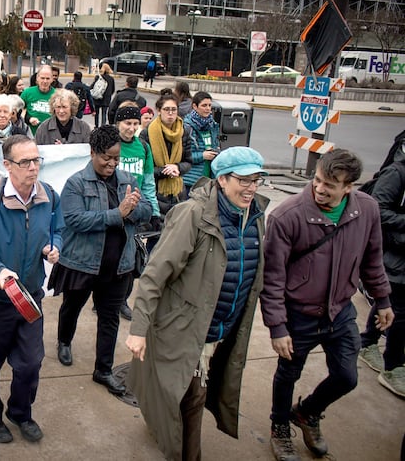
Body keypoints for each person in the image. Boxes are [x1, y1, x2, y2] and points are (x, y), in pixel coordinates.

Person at [126, 146, 269, 461]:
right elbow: (154, 274)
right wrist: (138, 329)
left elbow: (255, 276)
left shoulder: (256, 214)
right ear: (221, 179)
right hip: (188, 330)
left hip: (223, 329)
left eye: (256, 179)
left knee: (189, 393)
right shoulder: (193, 214)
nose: (251, 187)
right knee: (192, 398)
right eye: (243, 180)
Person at [260, 149, 393, 461]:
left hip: (340, 312)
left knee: (347, 377)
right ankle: (279, 426)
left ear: (348, 187)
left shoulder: (367, 210)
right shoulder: (287, 215)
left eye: (329, 185)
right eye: (317, 181)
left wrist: (383, 300)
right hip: (299, 315)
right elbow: (273, 277)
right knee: (287, 374)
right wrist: (278, 327)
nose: (319, 189)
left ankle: (306, 412)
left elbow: (373, 259)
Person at [0, 135, 63, 444]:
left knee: (31, 362)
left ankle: (20, 413)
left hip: (30, 298)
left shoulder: (50, 196)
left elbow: (59, 228)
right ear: (7, 165)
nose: (33, 168)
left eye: (37, 161)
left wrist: (54, 246)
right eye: (25, 162)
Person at [52, 125, 152, 396]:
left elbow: (146, 209)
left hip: (119, 265)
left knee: (110, 319)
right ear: (93, 152)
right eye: (106, 157)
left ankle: (103, 370)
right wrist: (117, 214)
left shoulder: (126, 179)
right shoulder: (76, 183)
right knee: (72, 307)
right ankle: (64, 341)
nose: (112, 163)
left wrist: (131, 211)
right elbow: (73, 220)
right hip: (83, 263)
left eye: (116, 158)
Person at [359, 131, 405, 398]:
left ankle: (368, 342)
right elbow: (378, 209)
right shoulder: (396, 174)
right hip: (395, 251)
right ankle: (393, 366)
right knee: (398, 306)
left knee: (390, 301)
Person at [115, 104, 162, 320]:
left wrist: (154, 212)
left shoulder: (143, 147)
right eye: (127, 123)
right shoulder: (112, 145)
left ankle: (123, 300)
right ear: (118, 124)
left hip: (136, 213)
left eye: (135, 123)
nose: (131, 128)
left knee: (132, 261)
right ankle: (103, 299)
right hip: (113, 211)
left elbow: (149, 182)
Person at [140, 93, 193, 216]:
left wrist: (177, 167)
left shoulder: (183, 131)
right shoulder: (147, 133)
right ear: (159, 111)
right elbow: (144, 168)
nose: (170, 113)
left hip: (178, 192)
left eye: (174, 109)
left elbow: (188, 162)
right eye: (166, 109)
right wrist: (165, 171)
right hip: (155, 191)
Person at [183, 91, 219, 196]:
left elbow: (214, 145)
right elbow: (182, 156)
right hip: (191, 180)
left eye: (209, 105)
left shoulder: (213, 126)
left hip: (208, 179)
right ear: (195, 106)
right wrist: (202, 156)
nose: (208, 108)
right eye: (204, 105)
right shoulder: (187, 127)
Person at [20, 65, 56, 136]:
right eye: (42, 78)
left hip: (50, 135)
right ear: (37, 78)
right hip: (30, 134)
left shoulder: (57, 95)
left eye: (48, 78)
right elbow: (18, 112)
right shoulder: (27, 93)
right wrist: (29, 119)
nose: (45, 81)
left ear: (52, 79)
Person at [91, 63, 116, 128]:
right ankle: (103, 126)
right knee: (104, 113)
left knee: (96, 113)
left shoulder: (98, 77)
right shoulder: (111, 79)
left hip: (97, 98)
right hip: (106, 99)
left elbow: (93, 87)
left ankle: (96, 126)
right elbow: (113, 89)